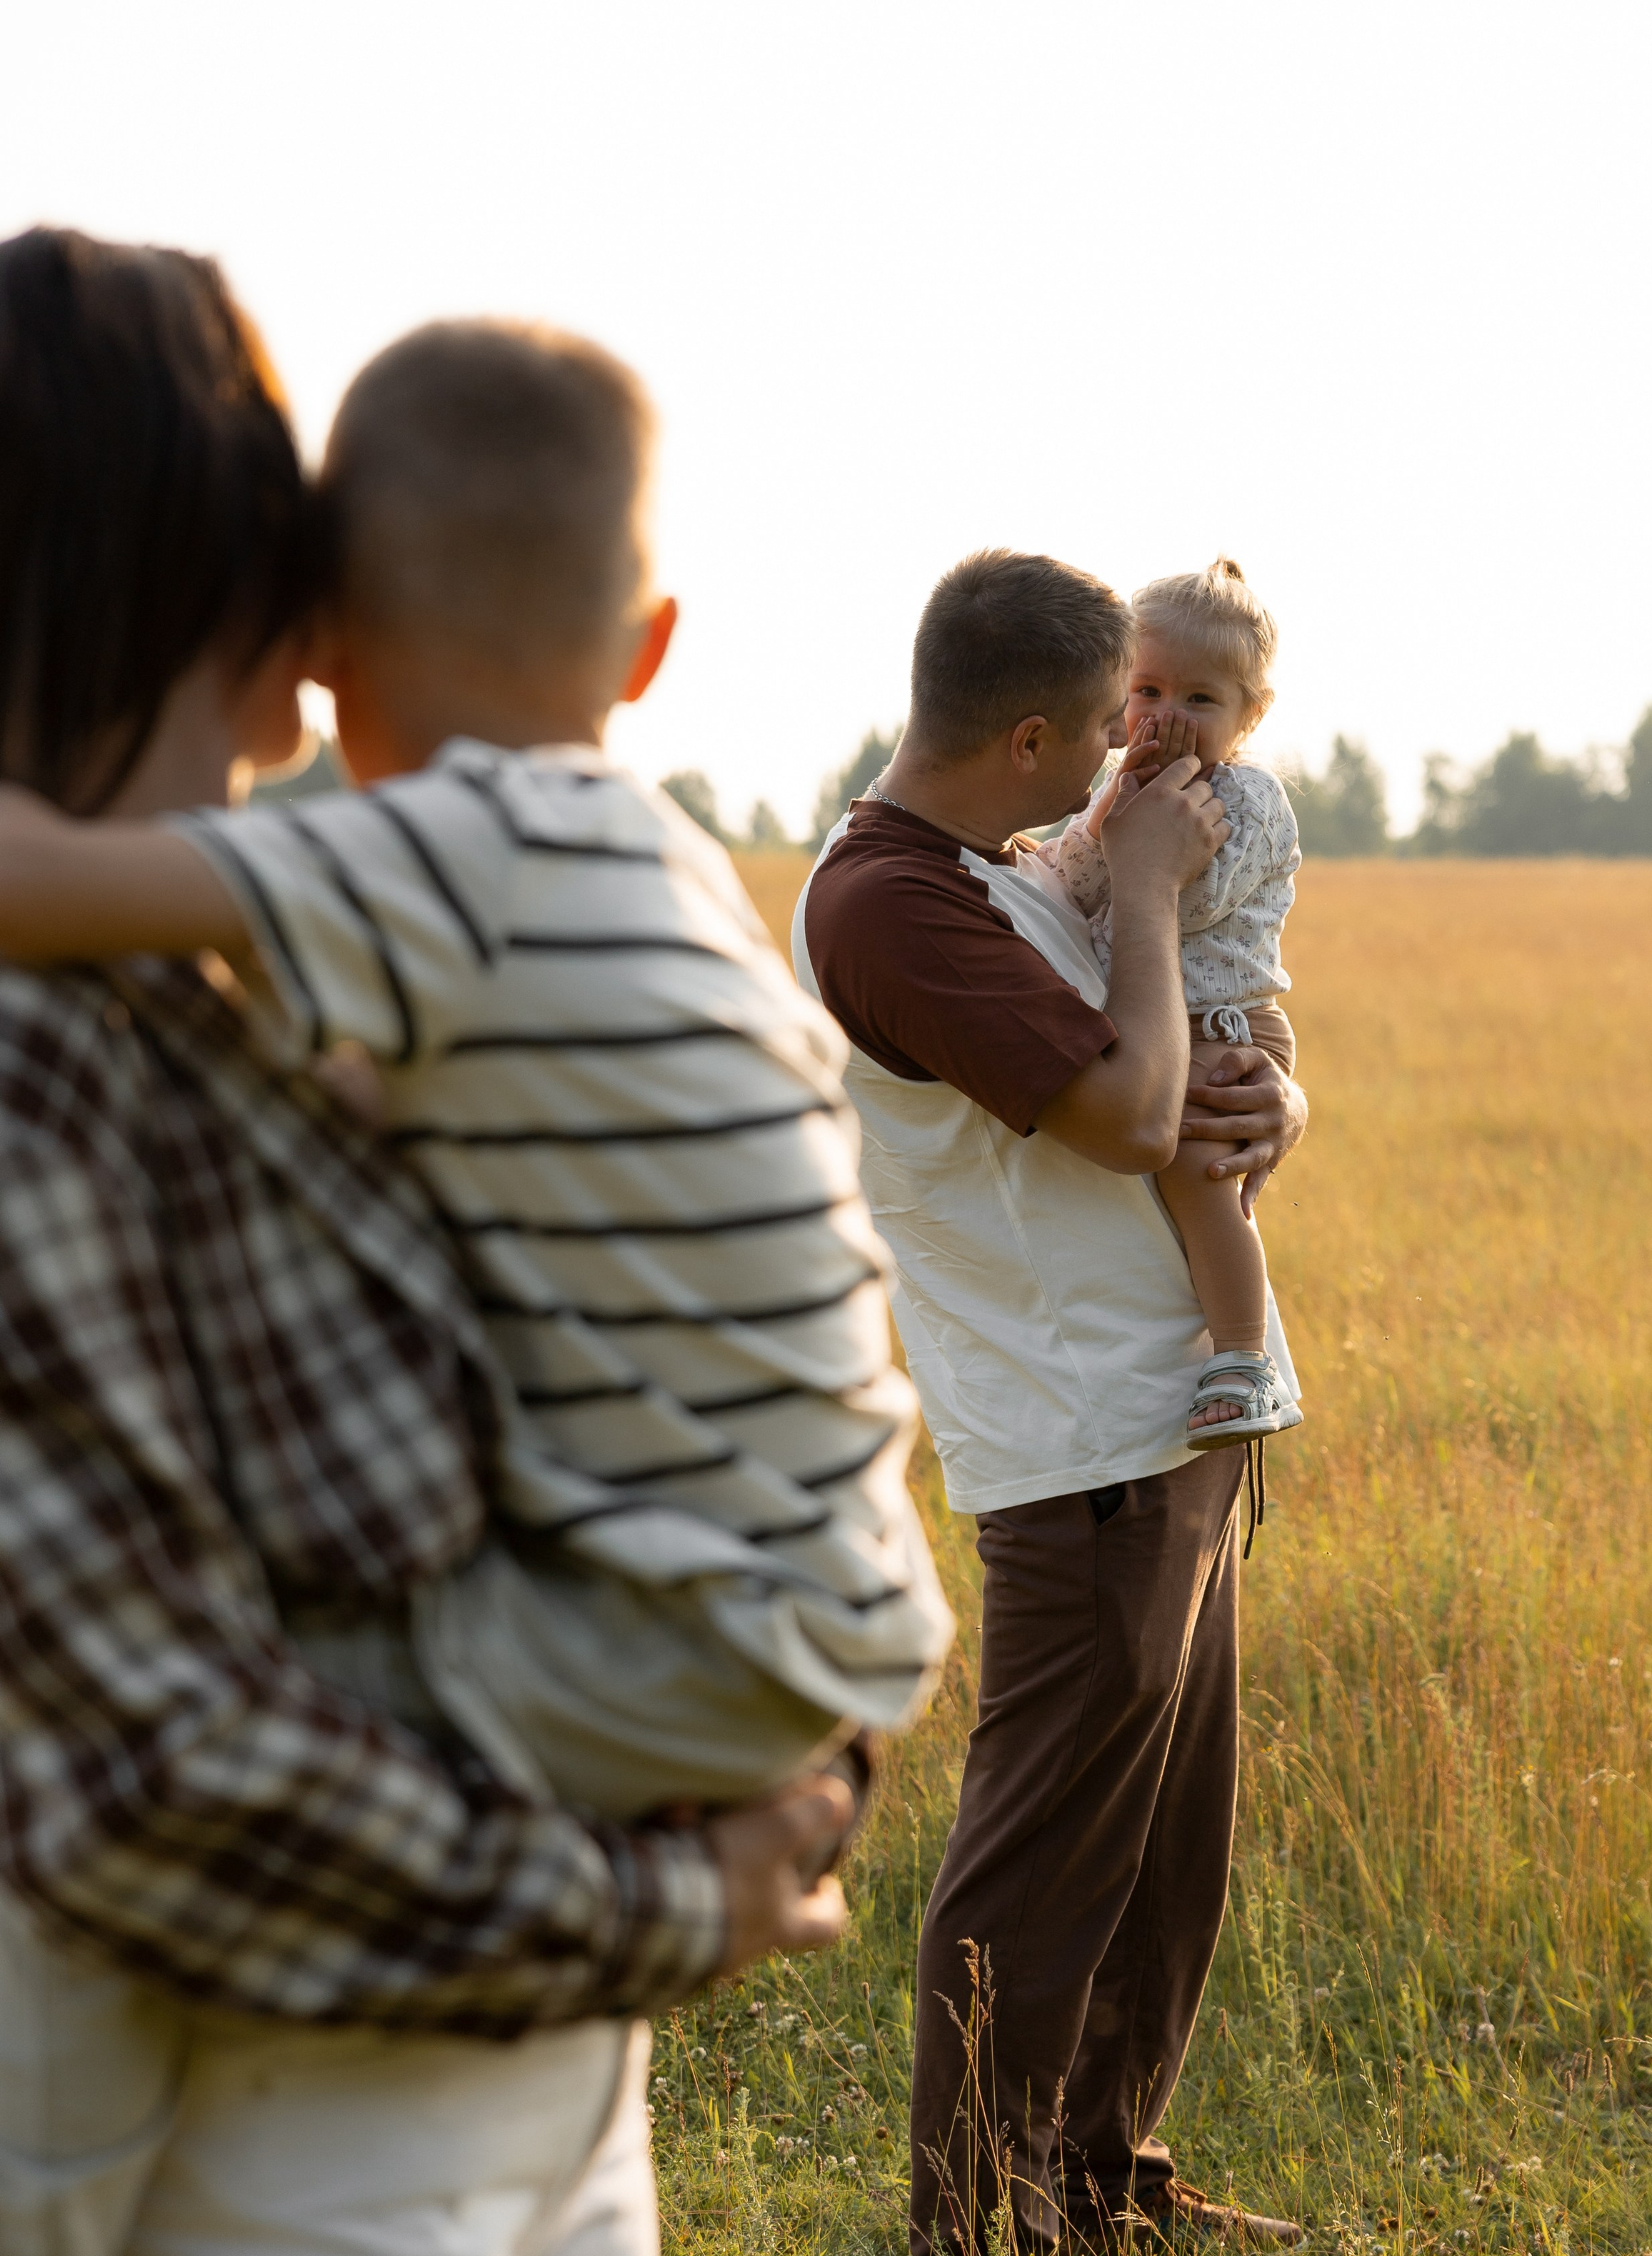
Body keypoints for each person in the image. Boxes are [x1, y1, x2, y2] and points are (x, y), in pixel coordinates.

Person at [0, 226, 853, 2256]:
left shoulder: (226, 971)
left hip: (560, 2103)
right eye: (269, 554)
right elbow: (154, 1774)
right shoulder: (34, 1052)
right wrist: (675, 1895)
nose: (307, 650)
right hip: (293, 2147)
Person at [0, 314, 951, 1820]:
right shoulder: (651, 860)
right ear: (649, 651)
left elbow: (41, 884)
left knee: (187, 1708)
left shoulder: (444, 852)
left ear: (314, 641)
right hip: (824, 1594)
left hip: (662, 1638)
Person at [793, 548, 1309, 2256]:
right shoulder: (888, 907)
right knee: (1033, 1875)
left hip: (1174, 1426)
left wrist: (1277, 1092)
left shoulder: (989, 876)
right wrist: (1156, 895)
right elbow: (1122, 1110)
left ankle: (1099, 2189)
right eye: (1104, 727)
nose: (1129, 760)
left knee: (1161, 1861)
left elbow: (1182, 1077)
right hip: (1081, 1446)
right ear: (1029, 733)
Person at [1044, 553, 1304, 1447]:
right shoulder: (1117, 796)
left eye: (1201, 700)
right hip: (1160, 1025)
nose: (1167, 717)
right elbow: (1076, 884)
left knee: (1203, 1182)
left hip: (1225, 1026)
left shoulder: (1251, 799)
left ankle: (1243, 1359)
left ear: (1250, 714)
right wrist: (1118, 801)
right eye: (1147, 690)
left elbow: (1183, 896)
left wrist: (1147, 830)